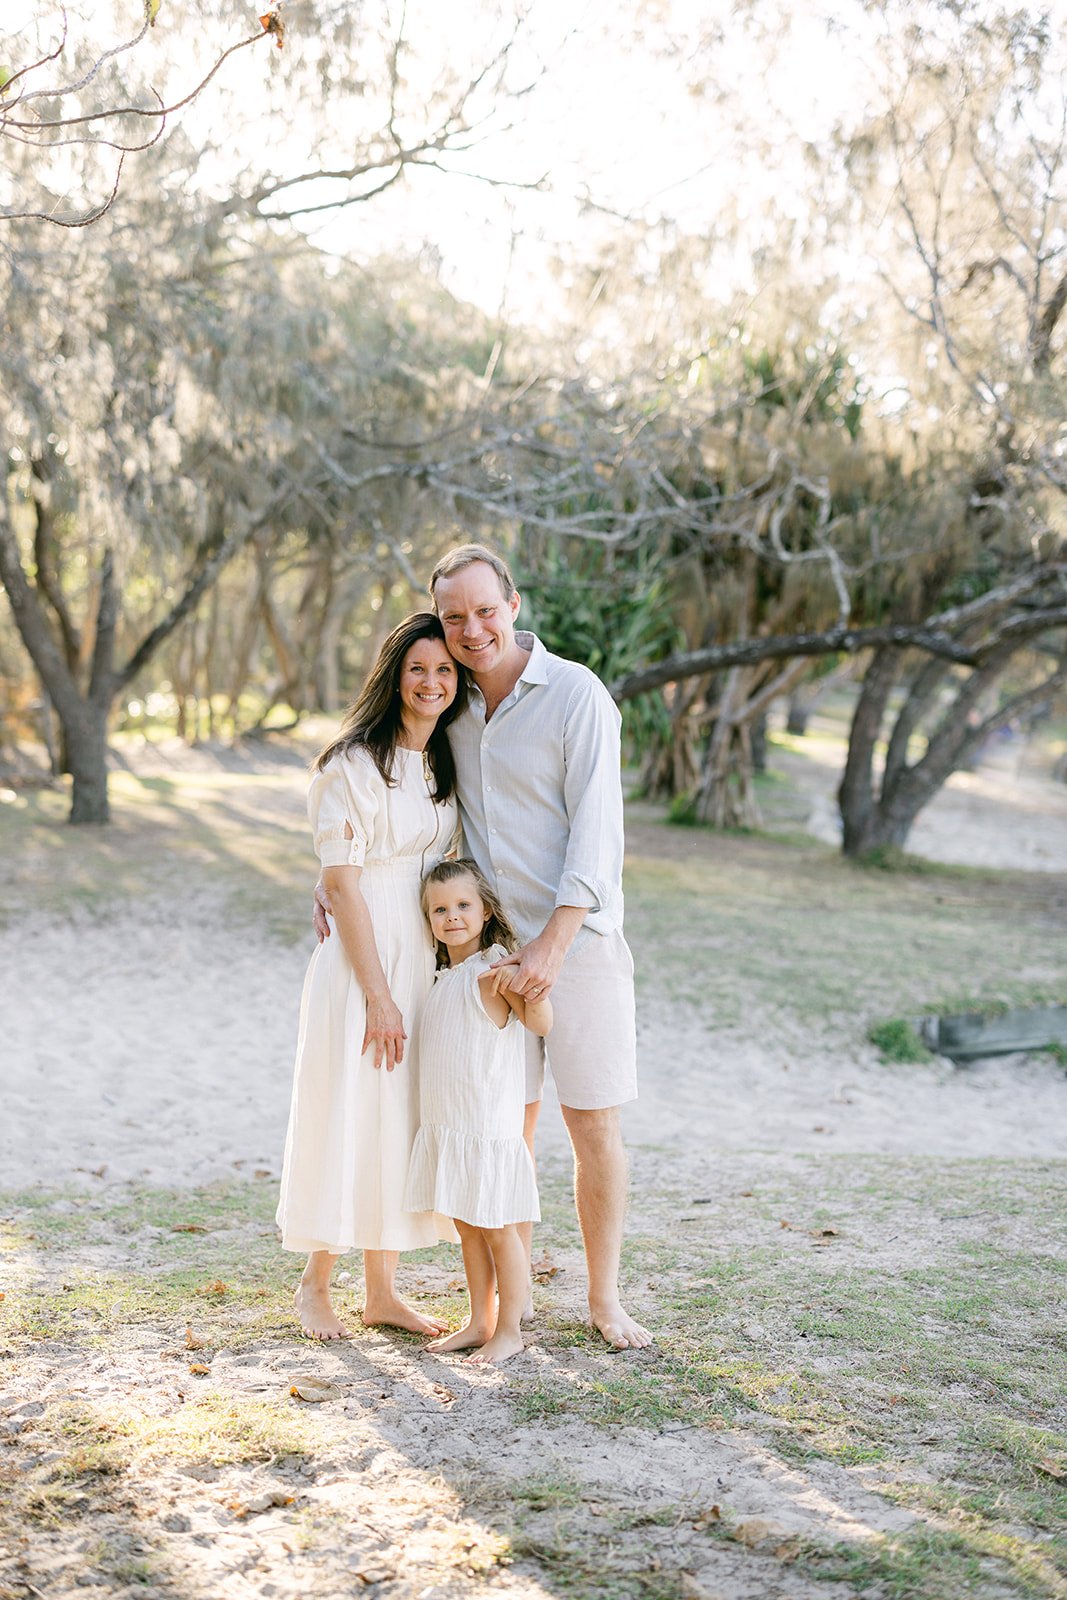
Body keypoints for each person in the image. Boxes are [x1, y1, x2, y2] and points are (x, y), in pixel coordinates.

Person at [429, 545, 652, 1351]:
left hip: (579, 944)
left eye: (484, 610)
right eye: (455, 616)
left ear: (513, 605)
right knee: (500, 1134)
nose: (471, 629)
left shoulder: (575, 695)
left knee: (592, 1125)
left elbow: (598, 831)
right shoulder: (447, 707)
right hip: (490, 957)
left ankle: (603, 1299)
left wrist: (555, 944)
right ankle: (502, 1312)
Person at [277, 612, 465, 1341]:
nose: (431, 682)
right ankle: (315, 1282)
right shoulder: (350, 764)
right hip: (363, 961)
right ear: (394, 675)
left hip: (420, 951)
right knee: (346, 1103)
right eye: (418, 669)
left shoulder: (442, 761)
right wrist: (379, 994)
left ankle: (382, 1292)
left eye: (445, 670)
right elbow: (344, 885)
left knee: (399, 1114)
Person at [404, 858, 551, 1365]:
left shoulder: (493, 972)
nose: (452, 916)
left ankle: (509, 1328)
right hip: (451, 1122)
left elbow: (540, 1021)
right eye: (439, 909)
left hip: (485, 1127)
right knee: (467, 1224)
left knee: (496, 1226)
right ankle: (480, 1320)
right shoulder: (444, 977)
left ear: (485, 910)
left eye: (463, 905)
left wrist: (535, 986)